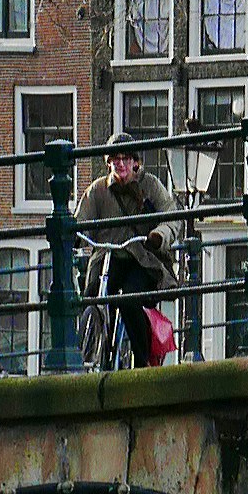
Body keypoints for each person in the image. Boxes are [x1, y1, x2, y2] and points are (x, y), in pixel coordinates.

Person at [77, 143, 179, 364]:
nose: (120, 163)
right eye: (115, 159)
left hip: (141, 258)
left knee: (130, 299)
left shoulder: (149, 185)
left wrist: (158, 236)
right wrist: (75, 234)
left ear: (135, 162)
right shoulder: (98, 190)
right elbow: (81, 220)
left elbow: (172, 217)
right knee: (93, 297)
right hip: (108, 256)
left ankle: (142, 363)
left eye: (125, 158)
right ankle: (93, 354)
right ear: (109, 163)